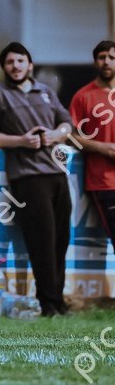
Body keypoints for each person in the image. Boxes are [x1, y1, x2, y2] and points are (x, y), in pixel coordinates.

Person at [0, 42, 72, 317]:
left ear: (30, 65)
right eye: (10, 62)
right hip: (28, 177)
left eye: (20, 61)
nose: (15, 66)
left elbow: (66, 123)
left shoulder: (45, 92)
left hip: (57, 173)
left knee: (60, 241)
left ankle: (58, 300)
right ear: (4, 67)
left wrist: (55, 135)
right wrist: (22, 140)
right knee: (41, 242)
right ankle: (48, 303)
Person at [69, 40, 115, 256]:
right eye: (102, 57)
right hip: (105, 182)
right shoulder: (83, 96)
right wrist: (103, 148)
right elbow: (71, 137)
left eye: (112, 57)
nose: (107, 62)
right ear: (95, 62)